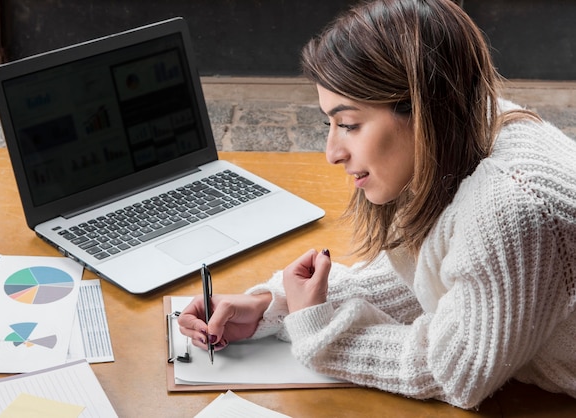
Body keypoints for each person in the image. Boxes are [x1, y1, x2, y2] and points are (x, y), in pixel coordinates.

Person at [178, 0, 576, 409]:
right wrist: (273, 306)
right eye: (328, 123)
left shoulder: (513, 208)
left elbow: (453, 373)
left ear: (424, 109)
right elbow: (434, 281)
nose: (332, 152)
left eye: (349, 125)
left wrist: (318, 330)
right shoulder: (478, 122)